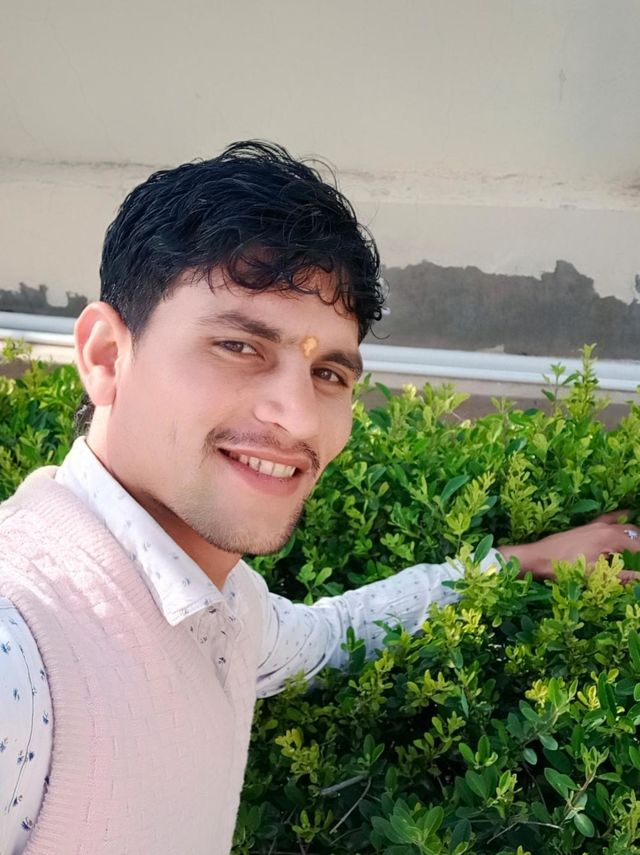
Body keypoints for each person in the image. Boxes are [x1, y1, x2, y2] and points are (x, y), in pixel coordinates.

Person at [0, 141, 637, 855]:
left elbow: (331, 633)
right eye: (240, 346)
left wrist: (518, 562)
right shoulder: (18, 647)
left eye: (330, 373)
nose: (300, 418)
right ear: (106, 357)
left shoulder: (224, 606)